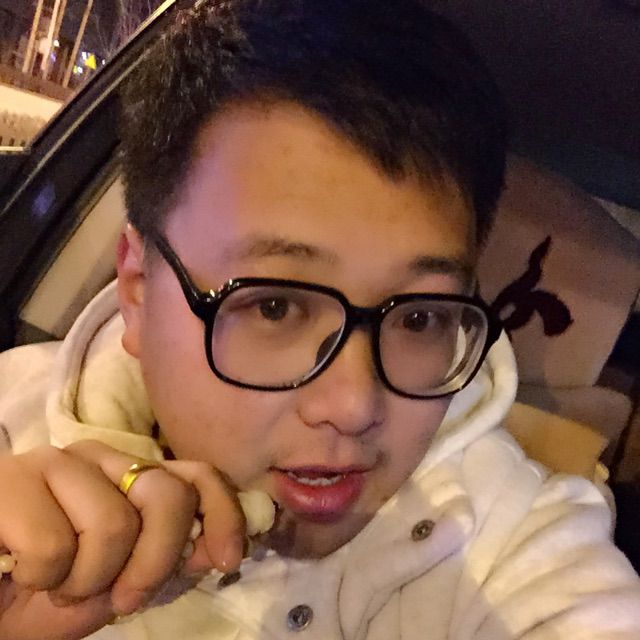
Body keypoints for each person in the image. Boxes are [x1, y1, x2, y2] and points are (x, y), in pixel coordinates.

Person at [0, 0, 639, 638]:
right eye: (274, 306)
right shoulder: (10, 426)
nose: (354, 406)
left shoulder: (518, 546)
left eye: (419, 318)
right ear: (139, 291)